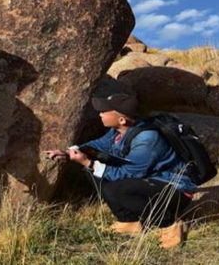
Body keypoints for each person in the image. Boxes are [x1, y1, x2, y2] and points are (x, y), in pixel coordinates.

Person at [45, 92, 196, 248]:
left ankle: (170, 224)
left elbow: (129, 173)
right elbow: (97, 145)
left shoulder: (147, 139)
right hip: (150, 183)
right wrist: (68, 153)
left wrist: (88, 162)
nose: (100, 114)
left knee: (117, 187)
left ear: (122, 119)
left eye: (104, 112)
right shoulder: (118, 131)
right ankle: (129, 222)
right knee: (96, 172)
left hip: (174, 191)